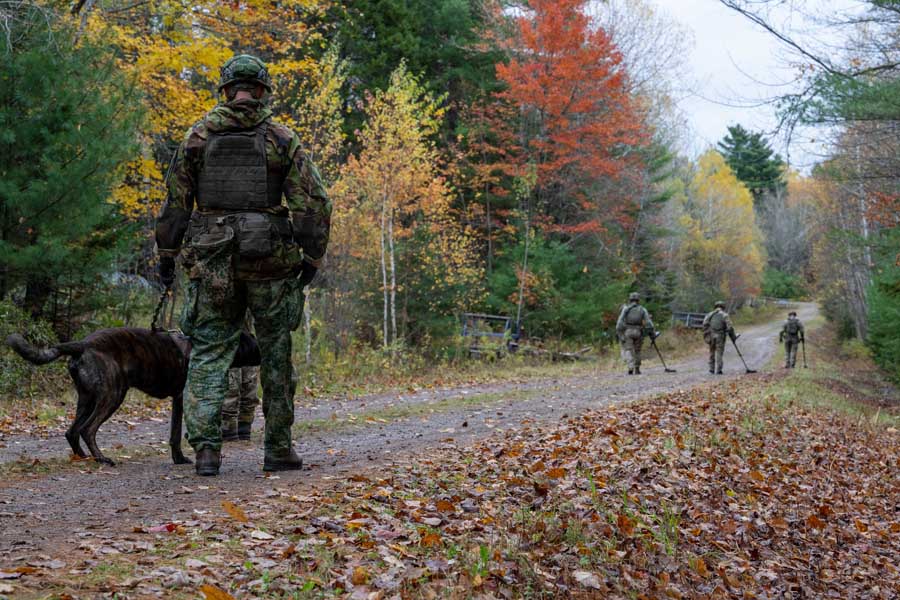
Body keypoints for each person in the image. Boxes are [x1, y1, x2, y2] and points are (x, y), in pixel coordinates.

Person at [155, 54, 332, 476]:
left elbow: (176, 204)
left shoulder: (197, 137)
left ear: (226, 89)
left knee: (210, 354)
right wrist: (312, 255)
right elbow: (314, 202)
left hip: (212, 262)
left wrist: (166, 255)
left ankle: (206, 452)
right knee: (275, 353)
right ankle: (278, 448)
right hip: (269, 262)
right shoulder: (281, 138)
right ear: (263, 90)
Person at [222, 314, 259, 441]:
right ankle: (234, 429)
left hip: (237, 339)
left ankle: (238, 428)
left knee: (244, 386)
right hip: (235, 339)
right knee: (237, 387)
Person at [615, 292, 655, 375]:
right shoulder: (642, 309)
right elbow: (649, 323)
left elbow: (619, 323)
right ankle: (637, 369)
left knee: (628, 349)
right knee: (637, 351)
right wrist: (652, 332)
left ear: (630, 300)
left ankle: (630, 366)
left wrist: (620, 334)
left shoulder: (625, 309)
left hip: (628, 331)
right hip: (638, 332)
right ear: (638, 300)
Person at [702, 300, 736, 375]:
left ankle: (711, 369)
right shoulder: (724, 315)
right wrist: (733, 336)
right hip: (720, 336)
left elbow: (704, 324)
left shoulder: (710, 314)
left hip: (711, 335)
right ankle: (719, 370)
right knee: (719, 352)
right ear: (723, 307)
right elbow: (730, 327)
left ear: (715, 306)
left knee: (711, 352)